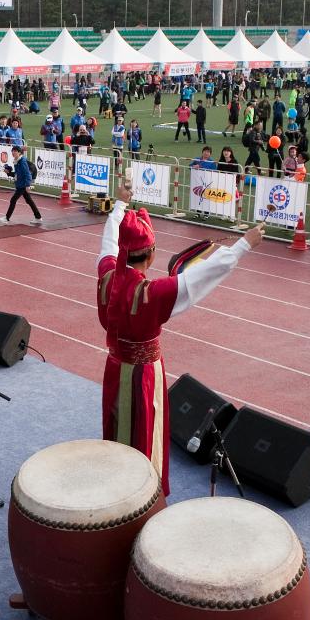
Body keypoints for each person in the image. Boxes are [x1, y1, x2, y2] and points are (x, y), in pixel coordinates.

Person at [95, 183, 263, 495]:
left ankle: (115, 486)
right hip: (144, 375)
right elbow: (202, 275)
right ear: (152, 253)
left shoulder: (106, 274)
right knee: (147, 430)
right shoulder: (152, 293)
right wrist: (244, 244)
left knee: (117, 423)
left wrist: (119, 205)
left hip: (114, 368)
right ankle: (143, 496)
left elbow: (108, 241)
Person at [1, 145, 41, 225]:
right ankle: (38, 217)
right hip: (21, 183)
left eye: (15, 151)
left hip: (22, 185)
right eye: (12, 151)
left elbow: (27, 174)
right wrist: (9, 173)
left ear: (19, 153)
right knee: (29, 200)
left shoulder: (22, 162)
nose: (13, 153)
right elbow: (17, 174)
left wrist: (27, 185)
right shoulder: (17, 161)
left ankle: (7, 217)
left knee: (13, 200)